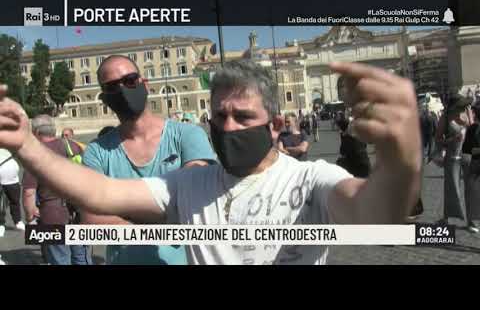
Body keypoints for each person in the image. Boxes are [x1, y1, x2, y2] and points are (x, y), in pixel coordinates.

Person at [0, 60, 422, 265]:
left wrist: (401, 160)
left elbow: (376, 211)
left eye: (244, 117)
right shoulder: (186, 186)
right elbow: (99, 193)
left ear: (275, 125)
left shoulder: (314, 178)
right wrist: (27, 146)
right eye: (220, 116)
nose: (230, 126)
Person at [81, 55, 217, 265]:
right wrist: (165, 217)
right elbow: (92, 222)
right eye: (112, 86)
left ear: (144, 84)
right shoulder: (96, 151)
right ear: (105, 97)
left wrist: (122, 213)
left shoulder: (188, 135)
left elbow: (193, 203)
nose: (123, 90)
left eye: (129, 80)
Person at [22, 115, 91, 265]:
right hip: (79, 210)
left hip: (51, 214)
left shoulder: (34, 155)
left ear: (36, 133)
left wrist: (29, 218)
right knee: (81, 257)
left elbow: (29, 193)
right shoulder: (73, 146)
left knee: (60, 259)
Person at [435, 94, 471, 225]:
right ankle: (446, 218)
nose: (464, 107)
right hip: (452, 157)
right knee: (452, 188)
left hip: (468, 156)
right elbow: (438, 140)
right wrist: (452, 139)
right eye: (461, 105)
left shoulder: (468, 113)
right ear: (454, 106)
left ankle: (472, 221)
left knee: (472, 188)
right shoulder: (445, 118)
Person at [461, 103, 480, 233]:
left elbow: (466, 149)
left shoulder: (473, 128)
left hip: (474, 163)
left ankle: (472, 222)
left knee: (471, 193)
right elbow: (467, 149)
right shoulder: (473, 128)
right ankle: (472, 221)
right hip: (474, 164)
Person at [0, 148, 24, 237]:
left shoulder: (10, 145)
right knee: (1, 205)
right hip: (1, 181)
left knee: (15, 202)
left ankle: (17, 221)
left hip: (13, 180)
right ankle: (1, 224)